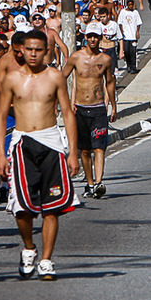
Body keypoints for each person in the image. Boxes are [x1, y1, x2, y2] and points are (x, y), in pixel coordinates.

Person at [0, 28, 80, 280]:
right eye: (29, 49)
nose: (33, 54)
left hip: (51, 142)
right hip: (22, 142)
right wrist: (1, 153)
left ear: (47, 51)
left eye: (38, 50)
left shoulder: (55, 77)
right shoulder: (12, 78)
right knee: (22, 207)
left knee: (51, 207)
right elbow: (0, 116)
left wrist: (72, 152)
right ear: (21, 50)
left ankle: (46, 259)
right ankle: (29, 248)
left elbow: (67, 112)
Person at [63, 22, 116, 199]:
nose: (93, 39)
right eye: (90, 36)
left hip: (98, 109)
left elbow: (109, 82)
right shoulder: (76, 57)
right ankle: (90, 183)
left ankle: (99, 182)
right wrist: (63, 102)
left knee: (99, 147)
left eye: (96, 36)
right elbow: (61, 77)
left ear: (101, 38)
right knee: (85, 150)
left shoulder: (105, 60)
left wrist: (113, 106)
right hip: (80, 109)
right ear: (85, 37)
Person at [116, 0, 142, 75]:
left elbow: (138, 23)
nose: (131, 6)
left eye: (132, 5)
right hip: (126, 36)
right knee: (126, 51)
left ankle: (133, 67)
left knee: (133, 52)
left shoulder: (135, 12)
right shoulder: (123, 12)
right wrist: (121, 32)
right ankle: (128, 65)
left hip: (133, 36)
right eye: (129, 5)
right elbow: (120, 23)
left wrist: (137, 32)